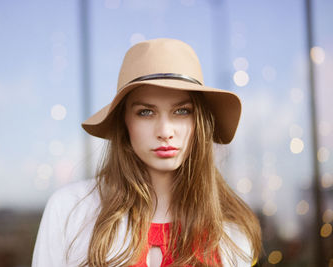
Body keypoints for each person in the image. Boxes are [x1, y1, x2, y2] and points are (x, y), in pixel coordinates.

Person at [32, 38, 262, 267]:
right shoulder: (70, 211)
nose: (165, 131)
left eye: (181, 111)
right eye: (145, 112)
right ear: (124, 121)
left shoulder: (232, 230)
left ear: (199, 121)